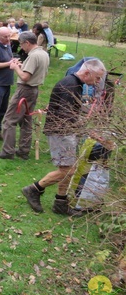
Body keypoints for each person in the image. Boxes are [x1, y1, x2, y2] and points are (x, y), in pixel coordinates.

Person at [21, 59, 107, 216]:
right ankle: (34, 189)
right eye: (97, 78)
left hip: (66, 131)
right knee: (68, 170)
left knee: (67, 169)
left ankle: (60, 203)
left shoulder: (75, 83)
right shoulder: (71, 85)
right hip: (60, 132)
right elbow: (64, 116)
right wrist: (85, 129)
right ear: (88, 73)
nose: (98, 82)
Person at [0, 32, 50, 160]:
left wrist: (14, 67)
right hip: (34, 90)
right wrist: (21, 66)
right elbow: (34, 71)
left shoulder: (34, 56)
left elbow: (25, 77)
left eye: (22, 44)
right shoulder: (43, 53)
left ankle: (7, 151)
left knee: (9, 121)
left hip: (25, 90)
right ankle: (24, 151)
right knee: (26, 120)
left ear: (27, 43)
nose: (21, 47)